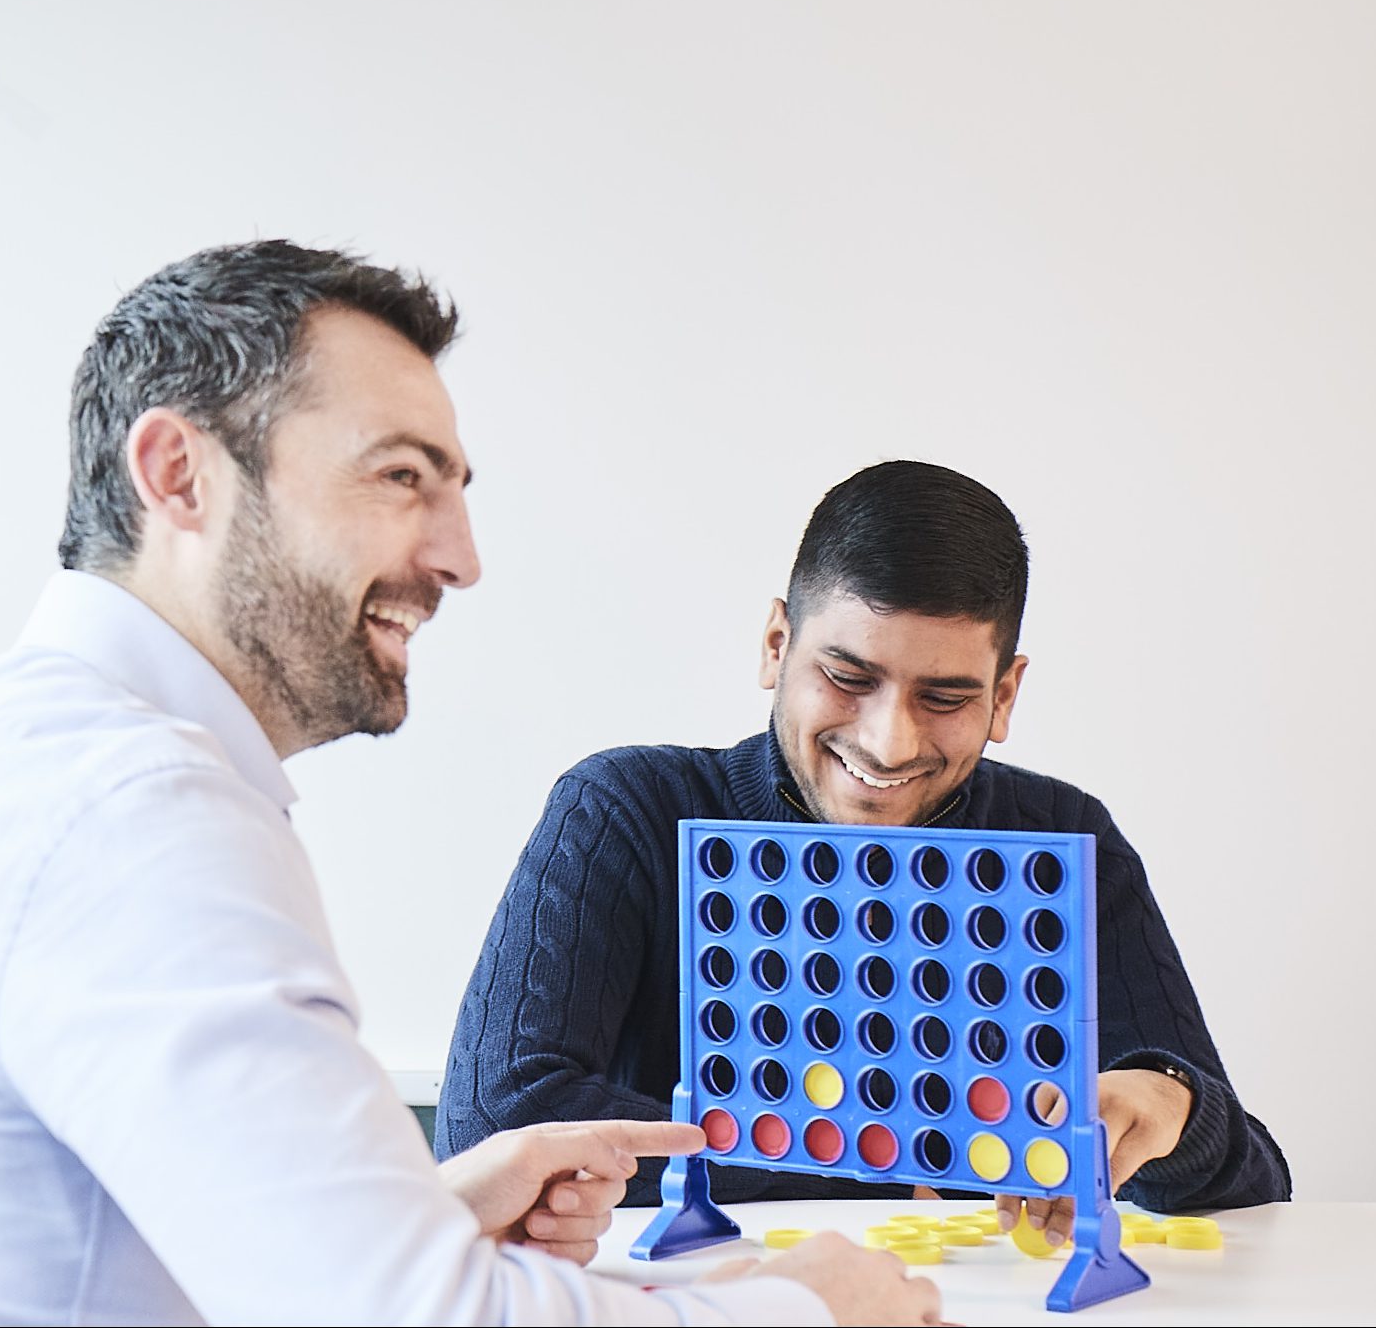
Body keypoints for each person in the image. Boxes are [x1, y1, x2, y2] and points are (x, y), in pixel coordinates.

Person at [0, 243, 944, 1326]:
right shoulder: (133, 812)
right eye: (401, 477)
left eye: (455, 490)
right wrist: (806, 1304)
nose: (460, 557)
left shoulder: (11, 765)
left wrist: (414, 1216)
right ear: (179, 475)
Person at [436, 460, 1292, 1245]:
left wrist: (1169, 1103)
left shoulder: (1063, 840)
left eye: (947, 695)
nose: (888, 741)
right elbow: (495, 1128)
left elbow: (1254, 1178)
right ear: (777, 646)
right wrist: (879, 1171)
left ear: (1005, 695)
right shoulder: (628, 808)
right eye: (848, 676)